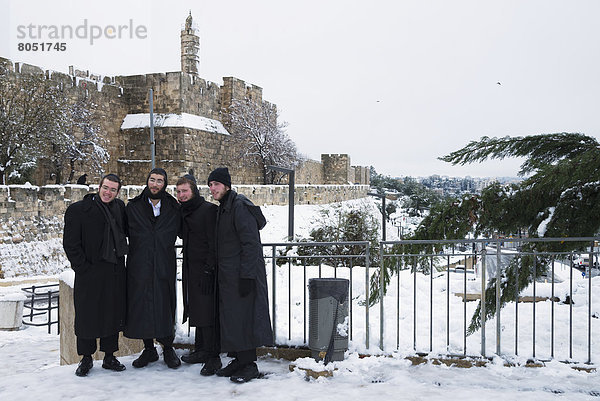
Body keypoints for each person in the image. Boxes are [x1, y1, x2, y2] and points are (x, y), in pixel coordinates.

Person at [207, 167, 273, 383]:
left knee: (244, 319)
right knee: (233, 319)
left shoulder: (239, 207)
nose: (212, 189)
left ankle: (249, 365)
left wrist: (247, 276)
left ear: (226, 186)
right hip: (229, 275)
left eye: (216, 184)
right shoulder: (226, 206)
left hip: (242, 276)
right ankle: (238, 360)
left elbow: (250, 244)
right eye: (210, 185)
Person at [62, 173, 128, 377]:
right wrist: (83, 268)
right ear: (99, 187)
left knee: (112, 313)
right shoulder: (78, 210)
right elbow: (71, 244)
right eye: (105, 188)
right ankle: (86, 358)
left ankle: (109, 356)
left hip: (114, 271)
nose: (108, 193)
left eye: (113, 190)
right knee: (87, 316)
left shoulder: (119, 208)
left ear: (118, 192)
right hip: (89, 272)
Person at [124, 168, 181, 369]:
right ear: (147, 181)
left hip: (164, 263)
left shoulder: (174, 207)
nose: (155, 184)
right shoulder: (133, 207)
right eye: (152, 180)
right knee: (142, 305)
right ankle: (148, 349)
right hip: (139, 264)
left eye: (159, 181)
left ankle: (167, 348)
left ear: (164, 184)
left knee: (165, 304)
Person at [175, 175, 222, 375]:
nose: (181, 195)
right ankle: (201, 350)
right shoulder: (185, 211)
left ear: (193, 191)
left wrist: (208, 269)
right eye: (178, 192)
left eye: (185, 191)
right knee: (197, 310)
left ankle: (213, 357)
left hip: (206, 269)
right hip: (191, 269)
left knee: (208, 313)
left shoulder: (208, 210)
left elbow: (214, 242)